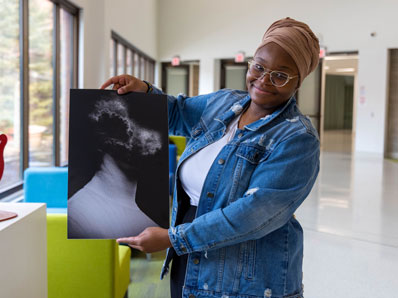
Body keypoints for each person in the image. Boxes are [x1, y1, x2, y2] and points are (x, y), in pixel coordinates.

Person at [102, 17, 320, 298]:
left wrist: (172, 238)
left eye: (280, 75)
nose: (264, 79)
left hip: (243, 279)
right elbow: (177, 113)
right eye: (259, 67)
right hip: (189, 259)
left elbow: (252, 215)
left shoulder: (297, 138)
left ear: (298, 81)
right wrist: (144, 91)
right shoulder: (224, 103)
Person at [68, 96, 163, 239]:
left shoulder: (146, 220)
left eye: (146, 125)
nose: (146, 136)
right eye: (130, 125)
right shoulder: (80, 215)